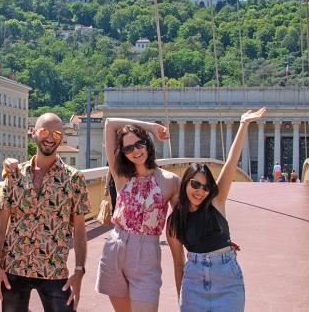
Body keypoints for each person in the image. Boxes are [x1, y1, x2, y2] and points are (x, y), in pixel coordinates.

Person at [167, 107, 266, 312]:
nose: (200, 191)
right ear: (186, 182)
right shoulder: (175, 221)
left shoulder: (216, 203)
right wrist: (180, 298)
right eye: (195, 184)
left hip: (227, 280)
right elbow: (178, 264)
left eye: (205, 187)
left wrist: (243, 124)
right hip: (193, 283)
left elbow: (230, 163)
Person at [0, 113, 90, 312]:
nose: (50, 138)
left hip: (54, 271)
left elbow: (79, 231)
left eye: (57, 133)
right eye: (45, 131)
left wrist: (79, 270)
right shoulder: (15, 175)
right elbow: (0, 226)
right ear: (33, 133)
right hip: (14, 269)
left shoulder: (74, 179)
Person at [97, 118, 180, 312]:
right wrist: (150, 127)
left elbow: (184, 223)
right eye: (128, 148)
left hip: (147, 253)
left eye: (139, 144)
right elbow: (110, 124)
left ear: (147, 144)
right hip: (115, 248)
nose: (135, 151)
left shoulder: (170, 181)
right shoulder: (120, 175)